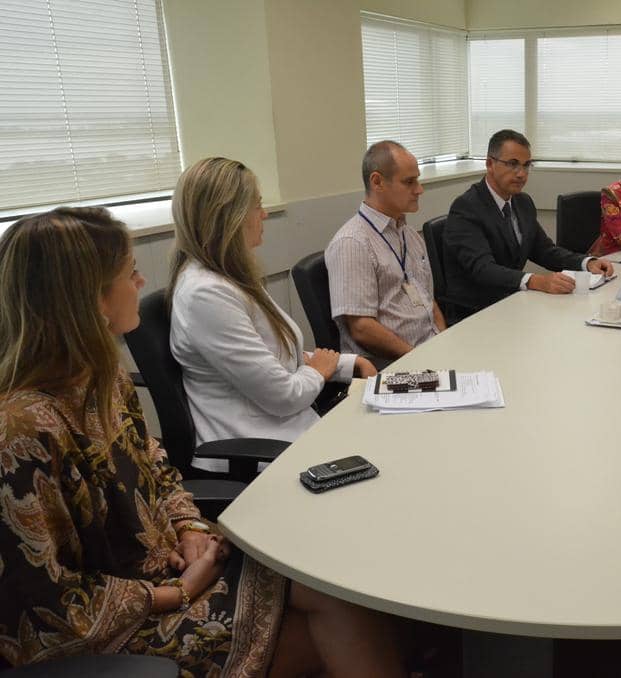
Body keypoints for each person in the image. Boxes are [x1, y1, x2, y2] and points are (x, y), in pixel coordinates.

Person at [0, 208, 403, 676]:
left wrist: (189, 527)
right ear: (88, 299)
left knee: (340, 582)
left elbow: (155, 466)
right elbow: (45, 607)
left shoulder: (102, 379)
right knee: (348, 619)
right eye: (129, 272)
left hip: (174, 570)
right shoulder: (19, 432)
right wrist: (177, 592)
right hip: (110, 631)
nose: (141, 279)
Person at [168, 158, 376, 472]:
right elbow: (283, 395)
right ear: (229, 217)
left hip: (291, 432)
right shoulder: (205, 294)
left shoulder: (231, 276)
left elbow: (275, 356)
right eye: (257, 206)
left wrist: (348, 363)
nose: (264, 214)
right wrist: (320, 371)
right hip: (261, 451)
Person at [443, 129, 615, 318]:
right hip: (475, 312)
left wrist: (586, 263)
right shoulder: (467, 208)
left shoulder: (522, 202)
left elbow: (545, 251)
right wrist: (535, 281)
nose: (521, 174)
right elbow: (483, 269)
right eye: (513, 164)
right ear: (490, 164)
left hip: (511, 303)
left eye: (526, 165)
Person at [327, 141, 446, 368]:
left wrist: (443, 340)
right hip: (390, 364)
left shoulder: (408, 234)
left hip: (428, 351)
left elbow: (428, 300)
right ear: (377, 182)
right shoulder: (353, 242)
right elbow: (361, 328)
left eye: (418, 180)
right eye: (409, 182)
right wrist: (417, 358)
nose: (419, 189)